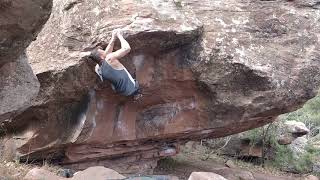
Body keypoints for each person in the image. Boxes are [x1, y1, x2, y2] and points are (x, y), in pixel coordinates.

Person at [89, 29, 141, 100]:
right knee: (133, 75)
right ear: (101, 56)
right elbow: (127, 48)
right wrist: (120, 35)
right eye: (102, 51)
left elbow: (106, 55)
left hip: (121, 91)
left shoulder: (97, 69)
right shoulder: (110, 59)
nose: (104, 50)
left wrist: (113, 38)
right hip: (132, 88)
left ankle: (131, 94)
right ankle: (137, 94)